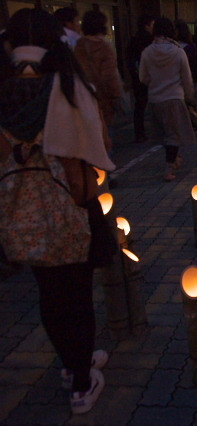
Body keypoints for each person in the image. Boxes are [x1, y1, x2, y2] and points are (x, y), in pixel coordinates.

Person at [0, 8, 117, 414]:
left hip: (21, 212)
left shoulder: (3, 90)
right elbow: (98, 149)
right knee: (78, 296)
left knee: (49, 295)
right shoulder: (67, 87)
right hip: (70, 207)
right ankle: (82, 383)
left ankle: (72, 363)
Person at [139, 17, 196, 182]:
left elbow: (143, 77)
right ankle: (169, 168)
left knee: (164, 133)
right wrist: (189, 96)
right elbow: (187, 78)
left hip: (155, 98)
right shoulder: (178, 52)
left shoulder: (147, 52)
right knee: (173, 135)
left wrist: (155, 82)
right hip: (174, 97)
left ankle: (174, 159)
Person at [74, 10, 123, 132]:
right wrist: (116, 96)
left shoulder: (78, 46)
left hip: (82, 97)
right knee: (106, 133)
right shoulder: (104, 48)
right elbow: (109, 77)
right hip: (102, 98)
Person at [125, 14, 155, 143]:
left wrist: (134, 74)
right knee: (153, 104)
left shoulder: (133, 40)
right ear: (146, 26)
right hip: (151, 77)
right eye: (152, 25)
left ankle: (139, 132)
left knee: (139, 106)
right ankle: (154, 130)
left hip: (138, 78)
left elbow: (129, 60)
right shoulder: (151, 41)